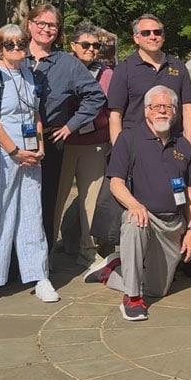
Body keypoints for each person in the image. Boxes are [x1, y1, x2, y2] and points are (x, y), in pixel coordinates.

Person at [0, 24, 56, 306]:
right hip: (4, 151)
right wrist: (14, 150)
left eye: (21, 42)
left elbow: (35, 113)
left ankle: (39, 275)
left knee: (32, 214)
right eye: (9, 44)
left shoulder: (28, 73)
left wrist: (39, 146)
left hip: (31, 153)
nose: (16, 47)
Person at [106, 85, 191, 321]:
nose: (161, 111)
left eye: (167, 106)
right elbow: (115, 183)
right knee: (133, 222)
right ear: (146, 111)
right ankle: (131, 298)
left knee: (158, 290)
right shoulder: (129, 138)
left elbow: (190, 189)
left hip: (173, 224)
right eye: (156, 106)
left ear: (175, 112)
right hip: (145, 218)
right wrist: (134, 205)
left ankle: (112, 271)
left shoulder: (183, 145)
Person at [22, 4, 106, 252]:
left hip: (49, 142)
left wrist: (70, 126)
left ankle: (42, 260)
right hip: (12, 143)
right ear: (29, 25)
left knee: (47, 203)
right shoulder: (14, 55)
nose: (46, 29)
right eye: (41, 23)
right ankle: (12, 263)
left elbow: (95, 96)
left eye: (52, 25)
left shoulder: (67, 64)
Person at [54, 23, 114, 266]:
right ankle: (44, 252)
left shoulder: (107, 73)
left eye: (96, 46)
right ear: (73, 45)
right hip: (63, 143)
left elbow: (112, 108)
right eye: (86, 45)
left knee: (90, 199)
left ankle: (87, 252)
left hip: (95, 143)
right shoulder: (60, 67)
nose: (91, 50)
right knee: (56, 200)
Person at [107, 13, 191, 145]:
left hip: (172, 144)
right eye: (146, 33)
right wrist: (119, 153)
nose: (153, 37)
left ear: (163, 37)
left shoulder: (178, 66)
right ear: (136, 38)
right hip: (136, 145)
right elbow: (115, 116)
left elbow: (188, 110)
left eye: (157, 32)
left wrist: (188, 149)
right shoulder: (124, 69)